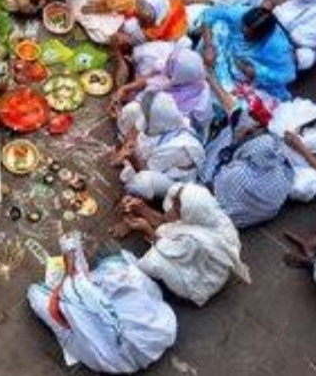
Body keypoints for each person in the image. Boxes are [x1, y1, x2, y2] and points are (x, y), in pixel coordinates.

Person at [27, 232, 176, 374]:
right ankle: (84, 279)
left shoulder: (88, 307)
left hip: (106, 355)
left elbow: (73, 296)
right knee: (113, 261)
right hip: (158, 332)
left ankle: (78, 281)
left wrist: (70, 263)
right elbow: (126, 281)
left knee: (34, 292)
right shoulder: (135, 296)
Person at [112, 184, 250, 307]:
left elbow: (170, 250)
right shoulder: (208, 212)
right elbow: (169, 220)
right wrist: (142, 208)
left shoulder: (194, 240)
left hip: (204, 278)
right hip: (196, 253)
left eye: (178, 207)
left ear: (190, 213)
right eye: (176, 203)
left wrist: (146, 228)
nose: (173, 208)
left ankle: (130, 279)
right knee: (167, 224)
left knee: (153, 261)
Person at [198, 76, 293, 228]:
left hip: (237, 217)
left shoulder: (235, 174)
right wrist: (211, 77)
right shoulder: (278, 159)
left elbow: (212, 187)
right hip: (268, 210)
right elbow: (234, 110)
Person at [112, 91, 205, 201]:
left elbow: (145, 169)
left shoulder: (176, 148)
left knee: (143, 182)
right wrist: (126, 145)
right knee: (133, 109)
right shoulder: (164, 118)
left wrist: (131, 158)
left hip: (171, 178)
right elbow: (137, 128)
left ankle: (140, 201)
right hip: (158, 155)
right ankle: (124, 147)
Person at [197, 5, 297, 100]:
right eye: (243, 27)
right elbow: (210, 14)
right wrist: (209, 46)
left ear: (261, 36)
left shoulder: (277, 46)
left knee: (247, 98)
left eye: (248, 34)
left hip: (252, 65)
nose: (243, 32)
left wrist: (253, 72)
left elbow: (288, 75)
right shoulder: (239, 13)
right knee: (218, 27)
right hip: (230, 47)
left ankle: (224, 88)